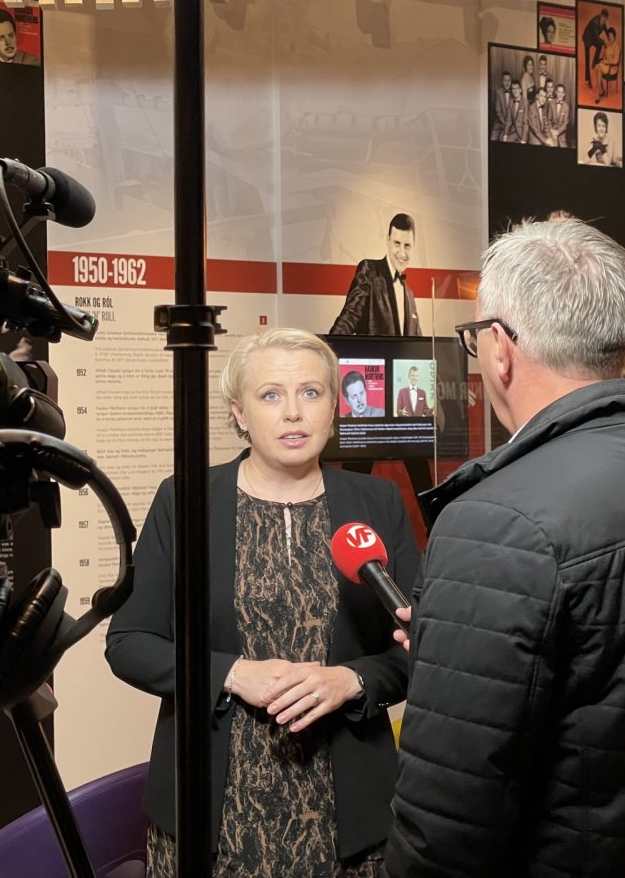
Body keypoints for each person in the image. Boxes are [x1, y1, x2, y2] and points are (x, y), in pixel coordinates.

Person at [384, 219, 625, 876]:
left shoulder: (495, 518)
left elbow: (445, 825)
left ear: (500, 348)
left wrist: (463, 667)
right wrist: (469, 653)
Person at [106, 327, 418, 877]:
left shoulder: (376, 501)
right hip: (213, 810)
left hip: (350, 811)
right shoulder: (185, 501)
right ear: (240, 413)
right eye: (271, 395)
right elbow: (129, 643)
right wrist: (231, 673)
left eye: (311, 393)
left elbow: (423, 648)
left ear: (333, 407)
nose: (293, 412)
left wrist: (352, 680)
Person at [330, 213, 421, 336]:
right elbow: (348, 320)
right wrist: (328, 346)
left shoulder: (410, 295)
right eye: (397, 243)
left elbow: (418, 342)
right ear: (388, 241)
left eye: (407, 246)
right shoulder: (369, 271)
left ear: (414, 246)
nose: (402, 253)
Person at [593, 26, 622, 102]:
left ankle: (599, 90)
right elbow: (603, 56)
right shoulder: (608, 45)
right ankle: (600, 90)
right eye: (609, 36)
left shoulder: (616, 47)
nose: (610, 37)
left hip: (612, 68)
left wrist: (606, 62)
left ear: (614, 36)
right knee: (598, 67)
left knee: (598, 67)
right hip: (606, 66)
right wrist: (604, 48)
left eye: (611, 36)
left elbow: (615, 61)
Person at [582, 7, 609, 85]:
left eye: (606, 18)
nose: (604, 20)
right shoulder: (594, 22)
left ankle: (595, 62)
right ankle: (587, 78)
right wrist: (604, 42)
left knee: (599, 44)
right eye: (603, 17)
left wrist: (610, 40)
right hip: (587, 38)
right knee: (587, 58)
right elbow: (596, 37)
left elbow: (607, 32)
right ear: (600, 15)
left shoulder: (603, 24)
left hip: (594, 37)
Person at [490, 71, 512, 142]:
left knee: (504, 139)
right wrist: (504, 123)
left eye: (509, 80)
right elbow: (498, 111)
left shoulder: (514, 91)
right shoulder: (498, 92)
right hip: (499, 122)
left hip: (510, 123)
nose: (507, 83)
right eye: (505, 80)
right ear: (502, 81)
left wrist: (507, 125)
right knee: (492, 139)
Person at [550, 82, 571, 147]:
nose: (560, 95)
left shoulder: (566, 107)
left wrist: (558, 132)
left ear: (564, 94)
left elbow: (565, 123)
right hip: (551, 132)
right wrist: (552, 131)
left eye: (562, 93)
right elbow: (548, 119)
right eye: (559, 92)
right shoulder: (551, 103)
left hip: (561, 135)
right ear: (556, 92)